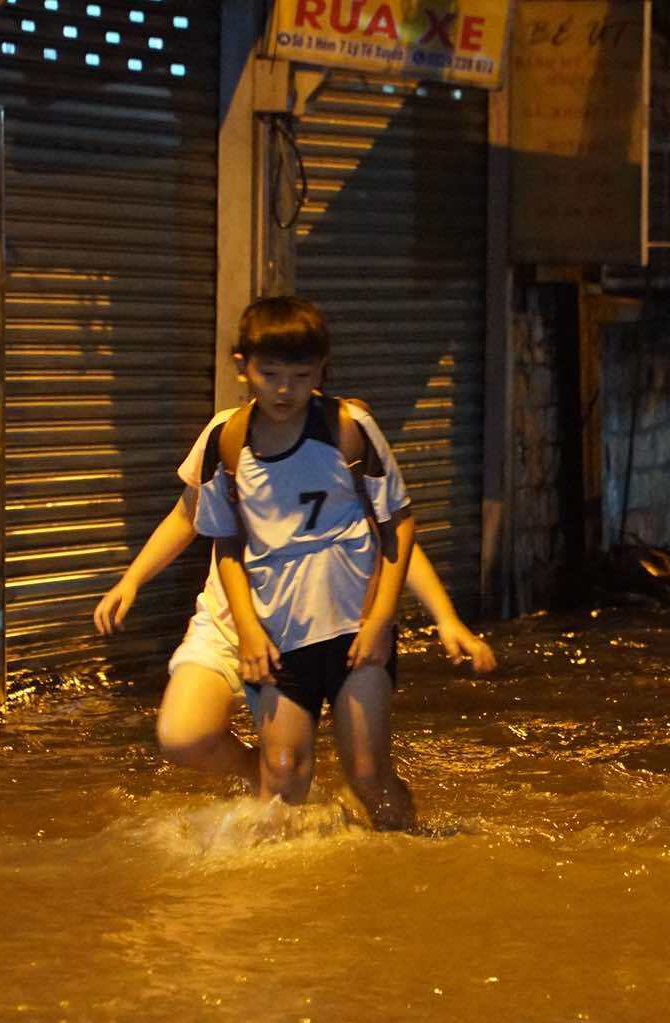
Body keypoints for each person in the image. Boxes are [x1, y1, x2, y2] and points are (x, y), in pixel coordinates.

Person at [93, 296, 495, 828]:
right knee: (282, 776)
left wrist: (404, 621)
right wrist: (246, 630)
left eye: (301, 375)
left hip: (354, 628)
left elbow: (396, 525)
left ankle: (410, 860)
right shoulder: (227, 439)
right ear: (243, 367)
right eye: (271, 373)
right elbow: (222, 541)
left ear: (322, 371)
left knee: (369, 773)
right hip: (277, 632)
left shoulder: (349, 428)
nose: (284, 389)